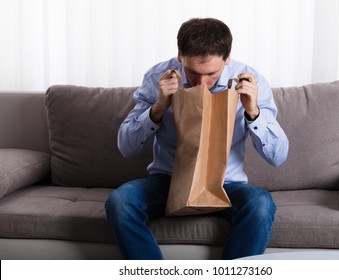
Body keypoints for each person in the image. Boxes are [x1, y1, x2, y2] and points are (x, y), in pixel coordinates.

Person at [105, 17, 289, 260]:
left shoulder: (250, 80)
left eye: (211, 74)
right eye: (193, 72)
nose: (202, 83)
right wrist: (158, 108)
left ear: (227, 58)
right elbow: (125, 146)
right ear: (180, 55)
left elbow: (278, 156)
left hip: (226, 185)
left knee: (261, 204)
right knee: (120, 202)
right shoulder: (158, 77)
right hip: (168, 182)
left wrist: (253, 113)